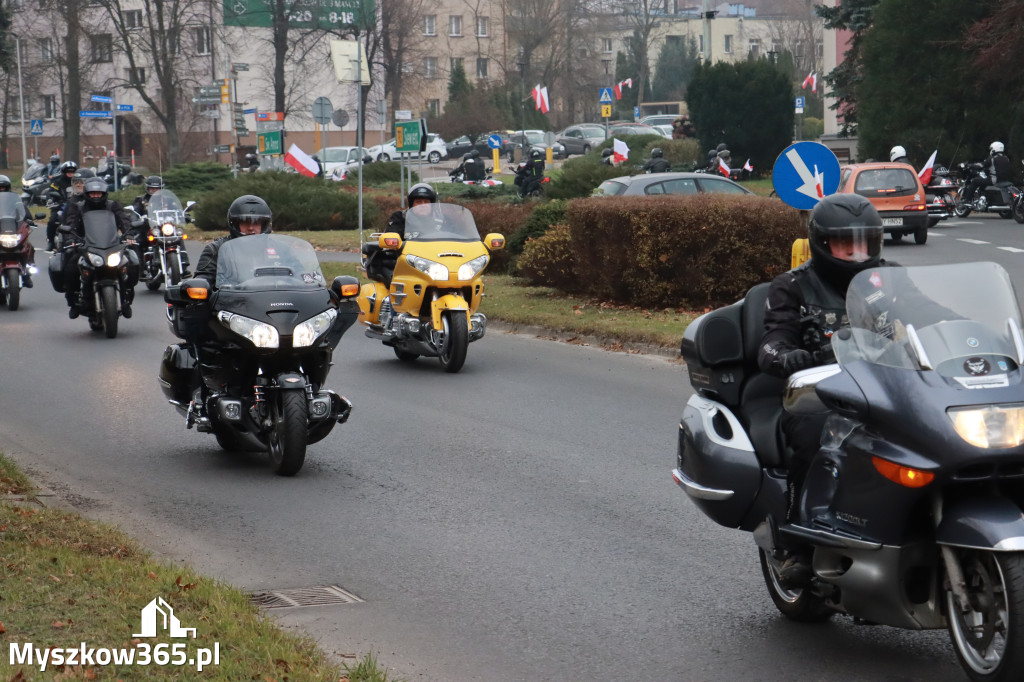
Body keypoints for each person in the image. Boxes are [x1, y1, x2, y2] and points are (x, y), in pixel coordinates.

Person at [757, 193, 885, 587]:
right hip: (820, 394)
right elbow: (772, 340)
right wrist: (786, 355)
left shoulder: (888, 281)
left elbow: (934, 315)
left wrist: (973, 331)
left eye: (864, 242)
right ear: (823, 243)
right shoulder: (792, 287)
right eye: (847, 243)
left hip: (886, 390)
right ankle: (797, 543)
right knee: (817, 439)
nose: (857, 252)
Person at [60, 177, 135, 319]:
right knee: (70, 266)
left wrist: (129, 234)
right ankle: (73, 302)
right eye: (93, 193)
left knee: (131, 262)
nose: (96, 196)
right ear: (87, 194)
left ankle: (127, 299)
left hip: (111, 245)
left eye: (98, 193)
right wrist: (71, 238)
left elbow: (124, 220)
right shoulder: (79, 207)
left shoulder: (113, 206)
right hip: (86, 245)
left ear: (104, 193)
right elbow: (71, 224)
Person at [362, 183, 437, 286]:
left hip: (436, 262)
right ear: (412, 204)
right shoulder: (400, 218)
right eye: (418, 202)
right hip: (407, 262)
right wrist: (392, 240)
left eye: (426, 202)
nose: (423, 205)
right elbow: (391, 234)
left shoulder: (441, 220)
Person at [194, 195, 273, 284]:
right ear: (234, 224)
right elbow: (203, 280)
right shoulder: (216, 249)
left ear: (265, 225)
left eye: (256, 222)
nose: (251, 227)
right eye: (245, 222)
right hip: (231, 297)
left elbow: (291, 277)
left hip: (274, 297)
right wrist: (200, 284)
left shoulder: (279, 249)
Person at [0, 174, 35, 288]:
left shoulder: (16, 201)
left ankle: (28, 271)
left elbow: (24, 212)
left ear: (8, 187)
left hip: (11, 228)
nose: (1, 190)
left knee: (28, 246)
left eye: (3, 188)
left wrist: (29, 220)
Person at [45, 161, 79, 251]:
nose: (71, 174)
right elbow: (50, 192)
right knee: (52, 221)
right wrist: (51, 200)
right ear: (64, 172)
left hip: (77, 206)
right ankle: (51, 241)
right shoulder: (57, 181)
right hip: (61, 206)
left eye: (72, 172)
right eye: (68, 172)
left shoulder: (79, 182)